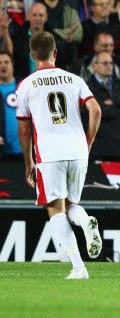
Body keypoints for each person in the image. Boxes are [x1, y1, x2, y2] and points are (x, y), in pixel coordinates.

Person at [16, 31, 102, 279]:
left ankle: (79, 268)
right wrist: (89, 140)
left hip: (50, 154)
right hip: (78, 150)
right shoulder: (74, 79)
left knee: (55, 209)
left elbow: (24, 130)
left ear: (33, 55)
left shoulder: (27, 85)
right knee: (72, 204)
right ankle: (86, 222)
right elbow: (95, 110)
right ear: (55, 53)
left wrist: (28, 162)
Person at [87, 51, 120, 161]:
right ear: (94, 66)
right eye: (105, 63)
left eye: (111, 63)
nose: (109, 66)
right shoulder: (87, 87)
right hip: (100, 149)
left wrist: (115, 102)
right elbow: (100, 111)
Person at [0, 52, 22, 160]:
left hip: (26, 152)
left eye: (6, 62)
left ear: (12, 64)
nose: (3, 65)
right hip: (3, 155)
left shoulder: (24, 86)